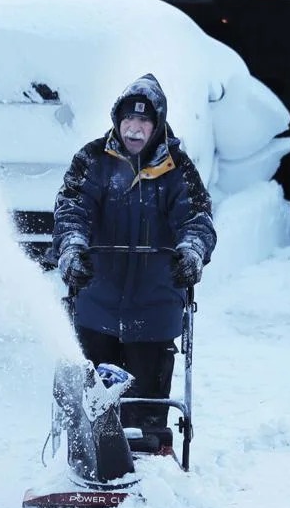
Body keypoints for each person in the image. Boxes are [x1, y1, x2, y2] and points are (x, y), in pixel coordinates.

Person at [49, 73, 216, 451]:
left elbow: (197, 221)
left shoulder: (178, 170)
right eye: (128, 119)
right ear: (117, 120)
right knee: (88, 405)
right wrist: (72, 248)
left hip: (154, 310)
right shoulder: (92, 160)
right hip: (96, 305)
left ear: (156, 125)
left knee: (144, 409)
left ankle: (147, 475)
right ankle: (84, 457)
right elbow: (72, 209)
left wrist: (191, 251)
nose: (135, 128)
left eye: (144, 121)